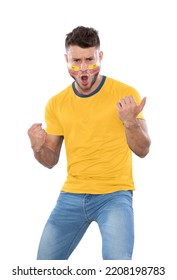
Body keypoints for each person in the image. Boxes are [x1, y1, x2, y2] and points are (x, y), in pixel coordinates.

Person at [27, 26, 151, 260]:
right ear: (67, 59)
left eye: (89, 59)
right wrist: (37, 147)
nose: (83, 68)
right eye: (76, 60)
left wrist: (130, 122)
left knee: (118, 268)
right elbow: (50, 160)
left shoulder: (125, 94)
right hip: (71, 194)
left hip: (114, 194)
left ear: (100, 57)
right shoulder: (56, 103)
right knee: (43, 266)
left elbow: (143, 150)